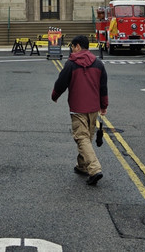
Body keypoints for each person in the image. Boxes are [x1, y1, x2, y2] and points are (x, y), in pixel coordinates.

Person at [51, 35, 108, 186]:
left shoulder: (71, 64)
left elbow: (61, 82)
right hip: (93, 107)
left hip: (78, 106)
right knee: (87, 137)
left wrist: (55, 95)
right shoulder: (98, 64)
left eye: (72, 47)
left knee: (81, 137)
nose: (72, 50)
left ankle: (94, 169)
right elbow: (103, 87)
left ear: (77, 46)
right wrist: (104, 105)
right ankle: (82, 165)